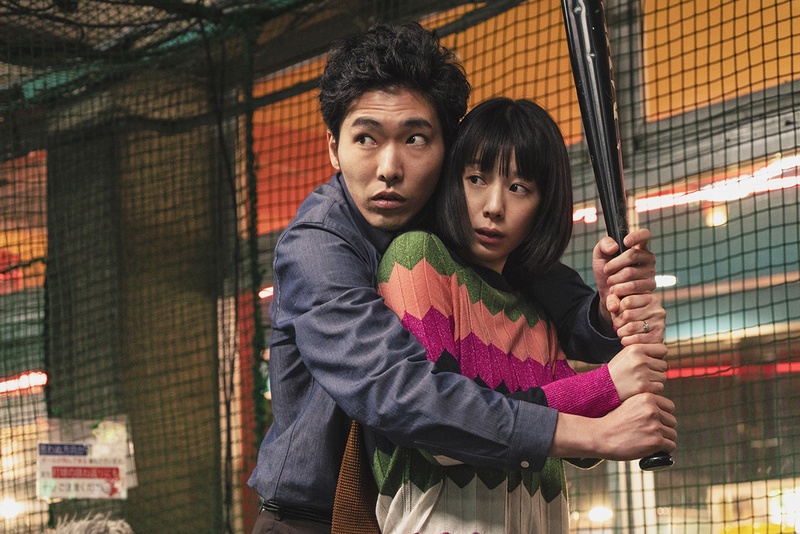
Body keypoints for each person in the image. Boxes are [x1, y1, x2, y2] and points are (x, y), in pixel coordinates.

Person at [248, 22, 673, 534]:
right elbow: (399, 393)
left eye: (415, 139)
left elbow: (548, 290)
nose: (390, 167)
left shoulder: (451, 220)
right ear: (335, 149)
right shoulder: (318, 246)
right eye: (366, 138)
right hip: (310, 519)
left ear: (446, 148)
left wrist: (609, 307)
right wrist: (592, 434)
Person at [370, 97, 672, 533]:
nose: (494, 205)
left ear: (543, 206)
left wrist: (630, 327)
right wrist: (610, 383)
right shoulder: (418, 258)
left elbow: (579, 442)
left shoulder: (534, 309)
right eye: (476, 179)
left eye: (519, 188)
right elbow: (443, 435)